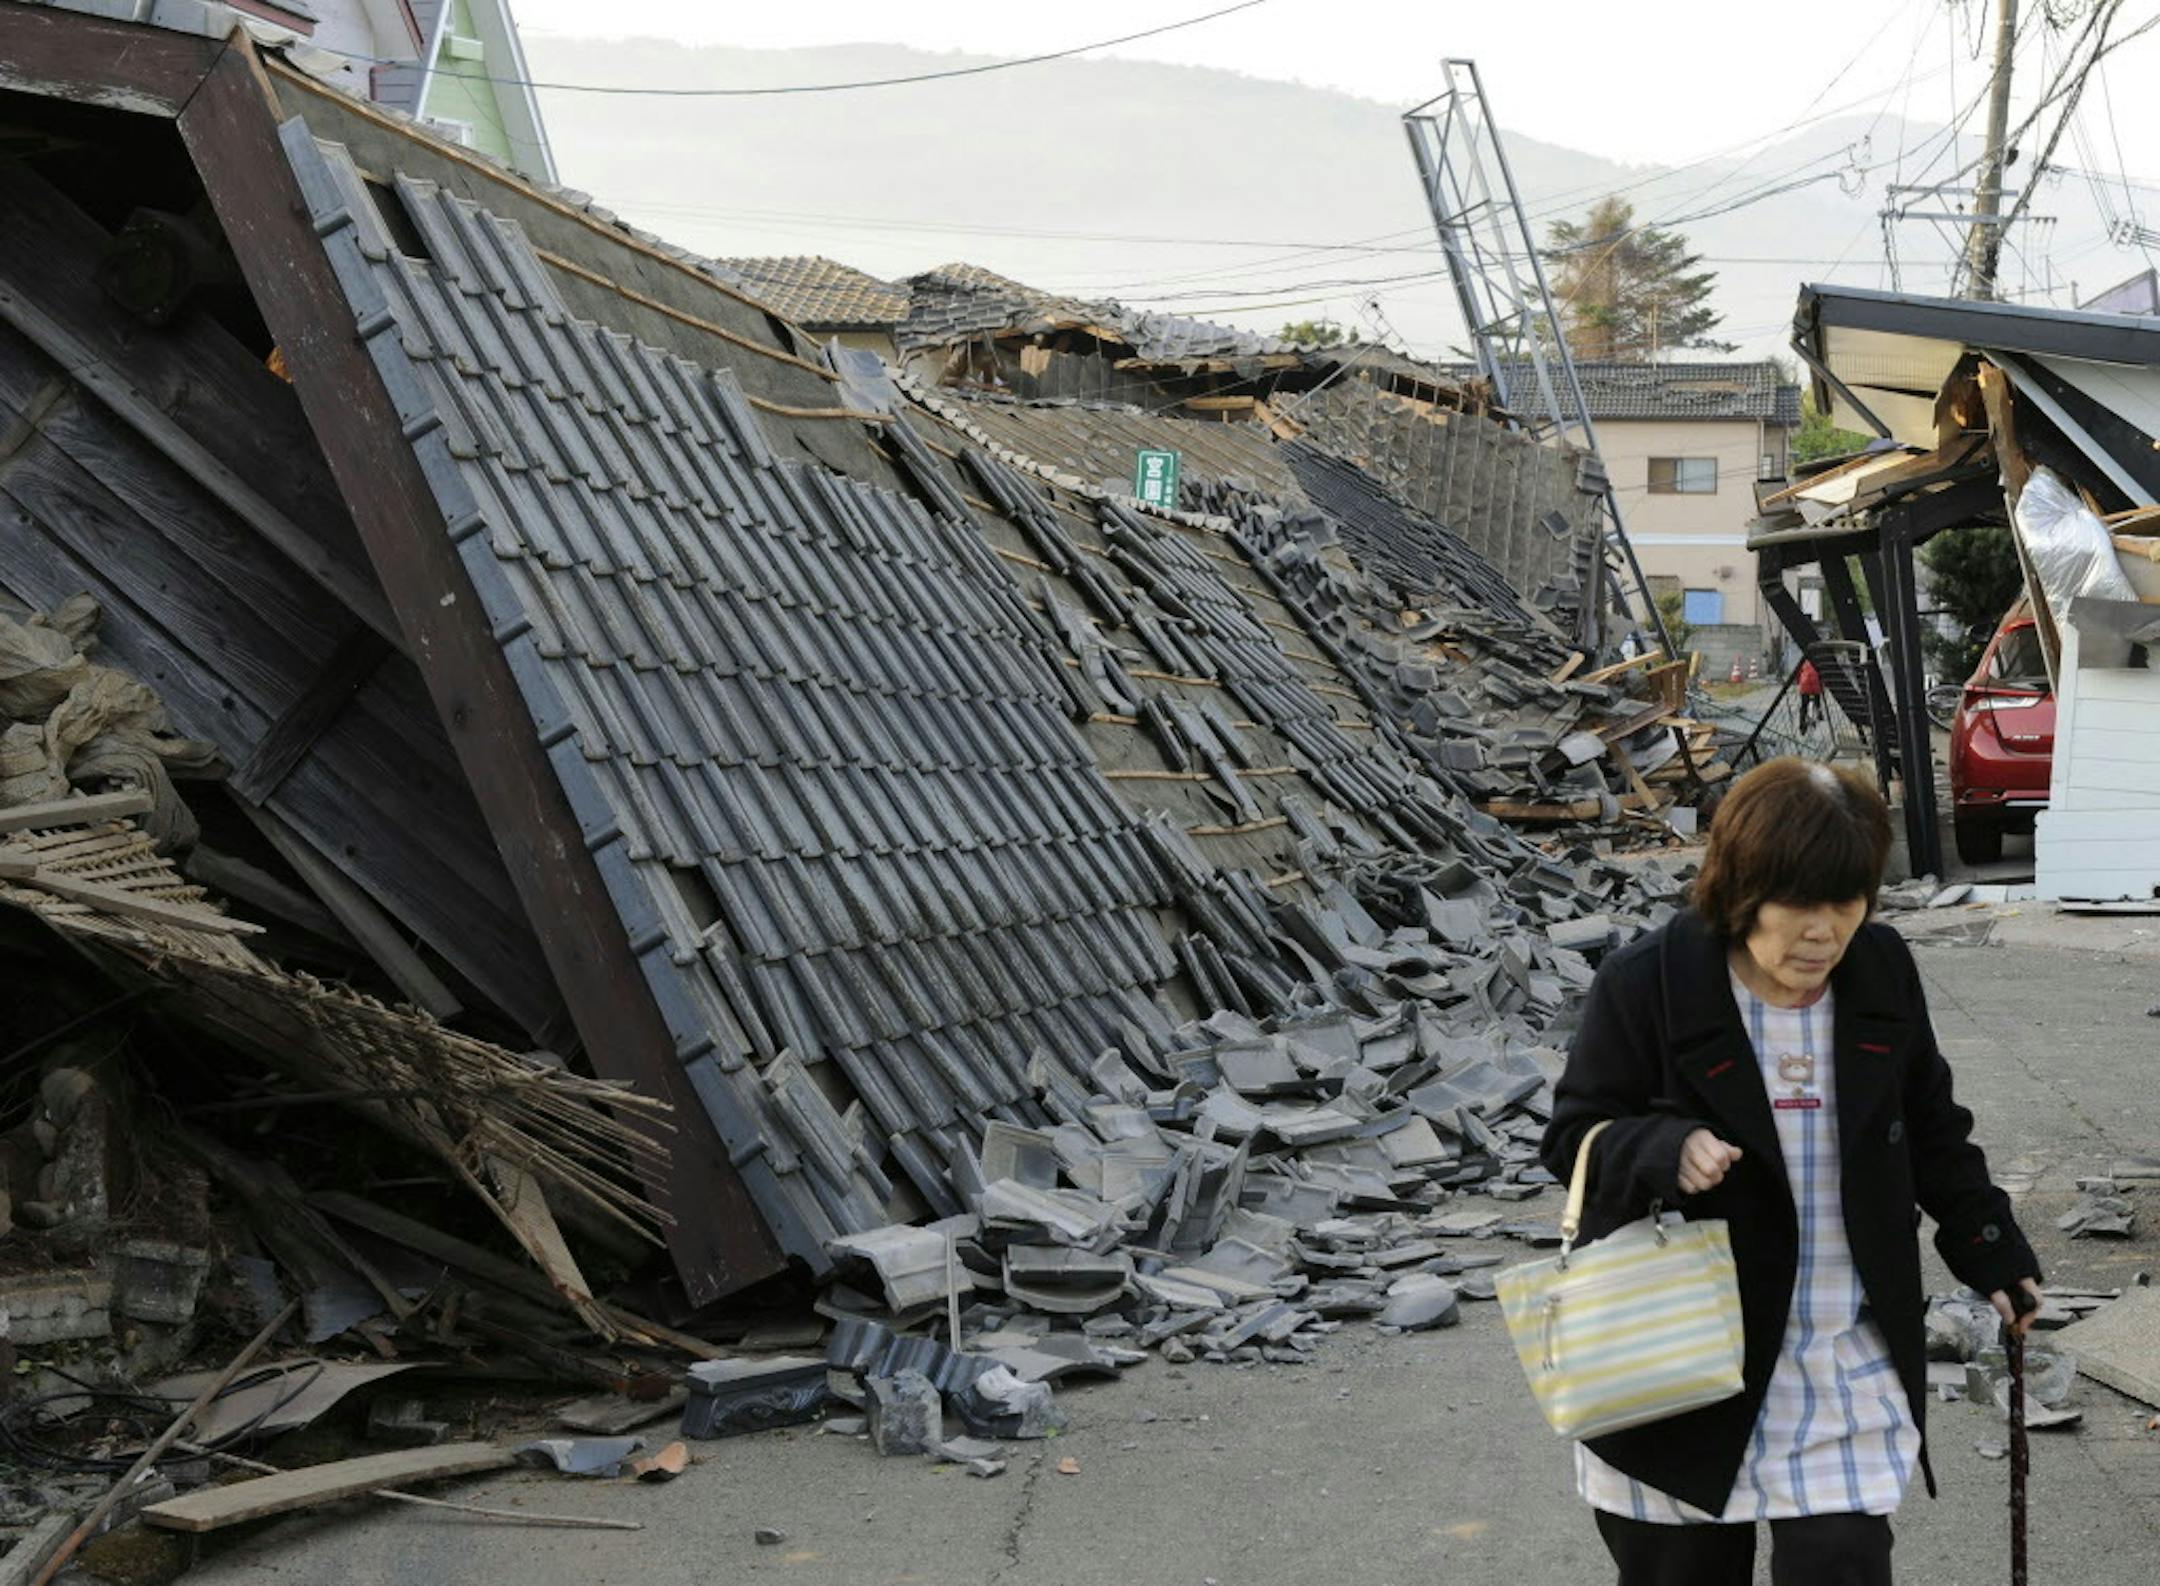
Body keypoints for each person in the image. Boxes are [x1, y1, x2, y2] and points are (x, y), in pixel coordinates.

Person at [1543, 759, 2042, 1585]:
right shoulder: (1650, 982)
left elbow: (1931, 1129)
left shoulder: (1879, 971)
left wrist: (1994, 1250)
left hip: (1837, 1349)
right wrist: (1661, 1150)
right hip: (1683, 1357)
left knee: (1841, 1560)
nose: (1825, 932)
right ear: (1741, 890)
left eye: (1846, 902)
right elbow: (1574, 1139)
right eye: (1800, 905)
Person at [1796, 659, 1825, 733]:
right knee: (1817, 699)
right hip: (1815, 686)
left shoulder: (1803, 662)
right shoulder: (1818, 662)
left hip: (1804, 686)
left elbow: (1798, 673)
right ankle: (1819, 713)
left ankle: (1802, 726)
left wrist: (1798, 682)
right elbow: (1821, 675)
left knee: (1804, 706)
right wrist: (1822, 687)